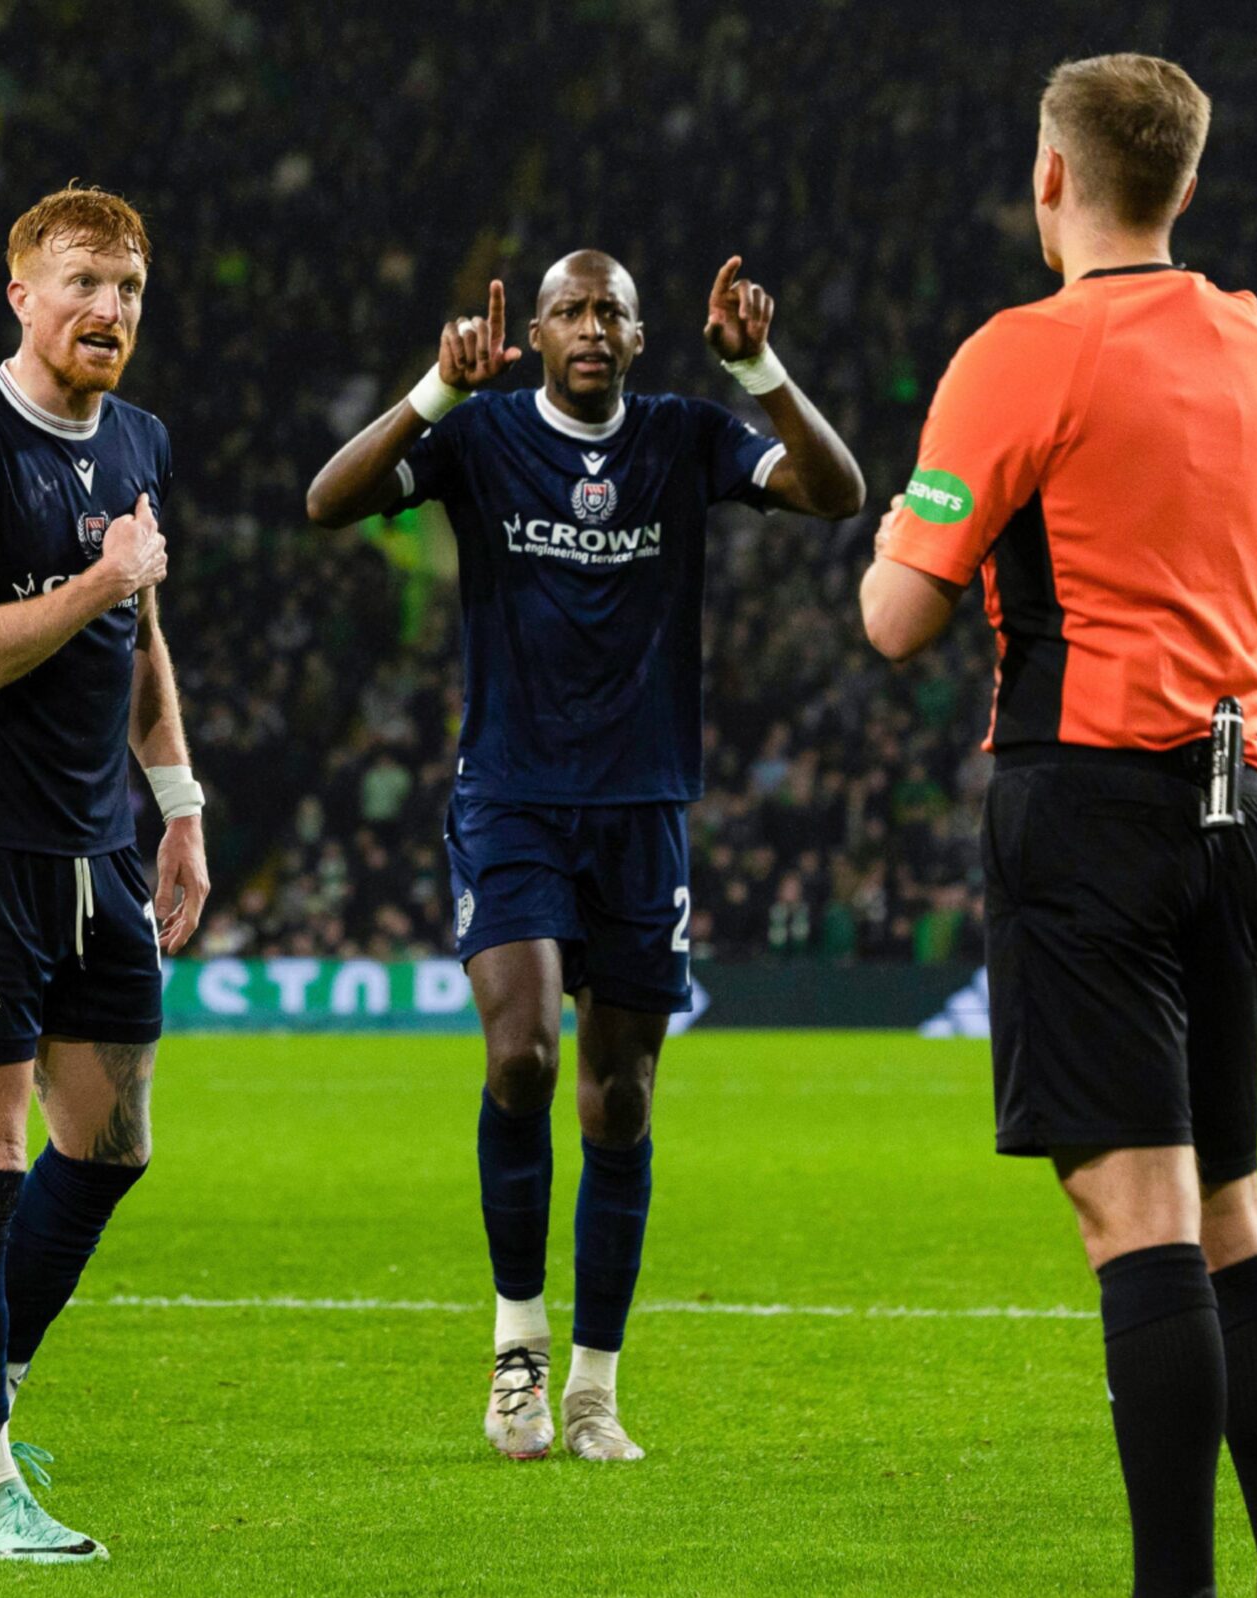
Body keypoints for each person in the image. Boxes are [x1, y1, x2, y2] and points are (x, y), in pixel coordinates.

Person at [858, 53, 1257, 1598]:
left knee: (1136, 1210)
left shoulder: (1018, 356)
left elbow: (899, 616)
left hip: (1084, 804)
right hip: (1234, 803)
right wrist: (1221, 631)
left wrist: (909, 520)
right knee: (1229, 1201)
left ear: (1051, 179)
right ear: (1181, 183)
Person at [305, 253, 862, 1461]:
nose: (592, 327)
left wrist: (758, 369)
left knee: (621, 1097)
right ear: (537, 335)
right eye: (570, 310)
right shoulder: (484, 436)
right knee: (523, 1059)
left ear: (643, 334)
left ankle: (596, 1385)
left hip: (643, 805)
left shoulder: (683, 435)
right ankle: (516, 1351)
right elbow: (328, 502)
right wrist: (434, 393)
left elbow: (837, 492)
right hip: (510, 795)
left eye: (611, 309)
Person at [0, 185, 208, 1563]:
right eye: (83, 281)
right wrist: (103, 575)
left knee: (113, 1140)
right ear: (21, 293)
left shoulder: (138, 440)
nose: (110, 309)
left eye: (129, 286)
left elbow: (141, 640)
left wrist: (179, 803)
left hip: (100, 849)